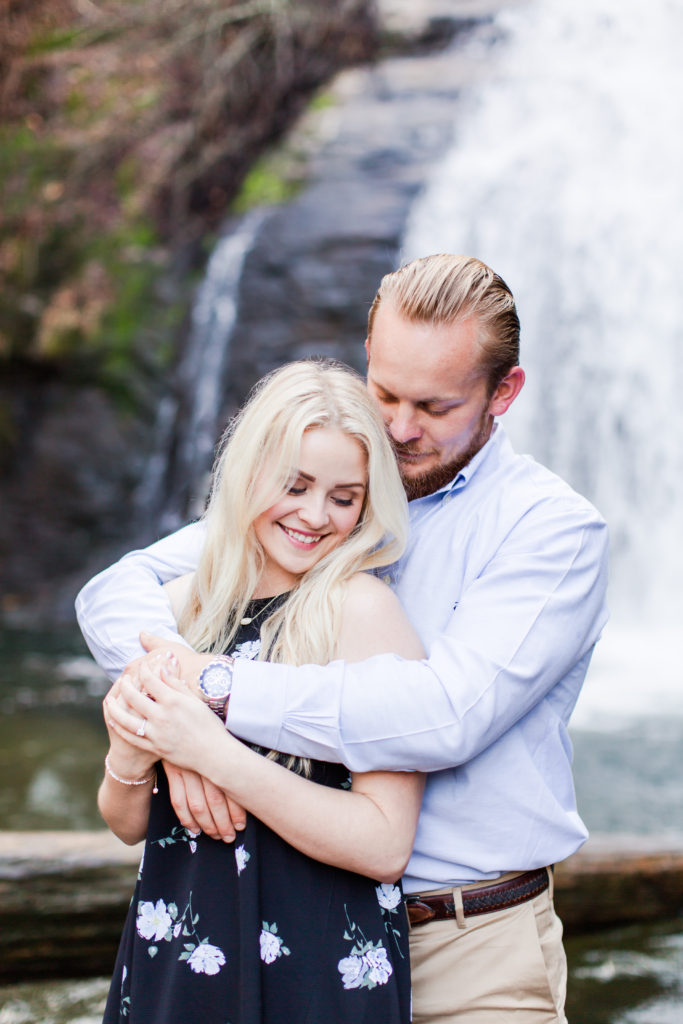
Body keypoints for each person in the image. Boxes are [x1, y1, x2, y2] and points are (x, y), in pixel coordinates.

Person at [78, 254, 610, 1023]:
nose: (398, 427)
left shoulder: (549, 531)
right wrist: (164, 730)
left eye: (432, 405)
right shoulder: (330, 497)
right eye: (384, 391)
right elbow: (118, 592)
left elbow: (443, 717)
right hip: (286, 928)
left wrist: (209, 701)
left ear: (504, 392)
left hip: (465, 944)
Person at [97, 360, 426, 1024]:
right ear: (249, 472)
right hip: (178, 946)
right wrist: (132, 758)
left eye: (343, 496)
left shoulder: (361, 612)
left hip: (316, 964)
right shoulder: (178, 613)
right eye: (295, 485)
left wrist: (210, 753)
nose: (314, 516)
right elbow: (127, 822)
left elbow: (384, 843)